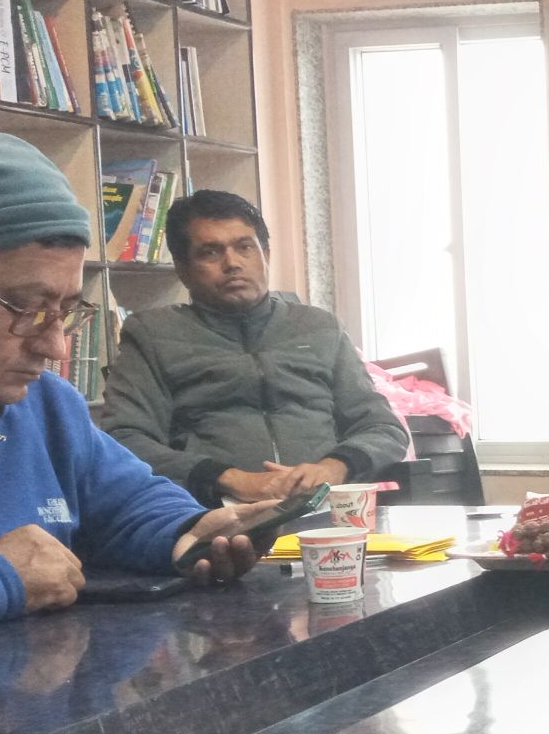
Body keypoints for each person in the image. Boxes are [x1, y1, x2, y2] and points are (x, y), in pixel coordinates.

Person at [0, 131, 268, 653]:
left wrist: (189, 531)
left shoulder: (46, 404)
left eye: (67, 311)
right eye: (28, 308)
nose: (55, 346)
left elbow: (125, 500)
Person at [98, 190, 408, 505]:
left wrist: (334, 467)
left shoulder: (319, 327)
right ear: (183, 268)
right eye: (210, 252)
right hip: (215, 512)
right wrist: (229, 479)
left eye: (244, 247)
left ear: (266, 255)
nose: (232, 263)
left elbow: (382, 426)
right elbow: (124, 438)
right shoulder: (153, 335)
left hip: (326, 508)